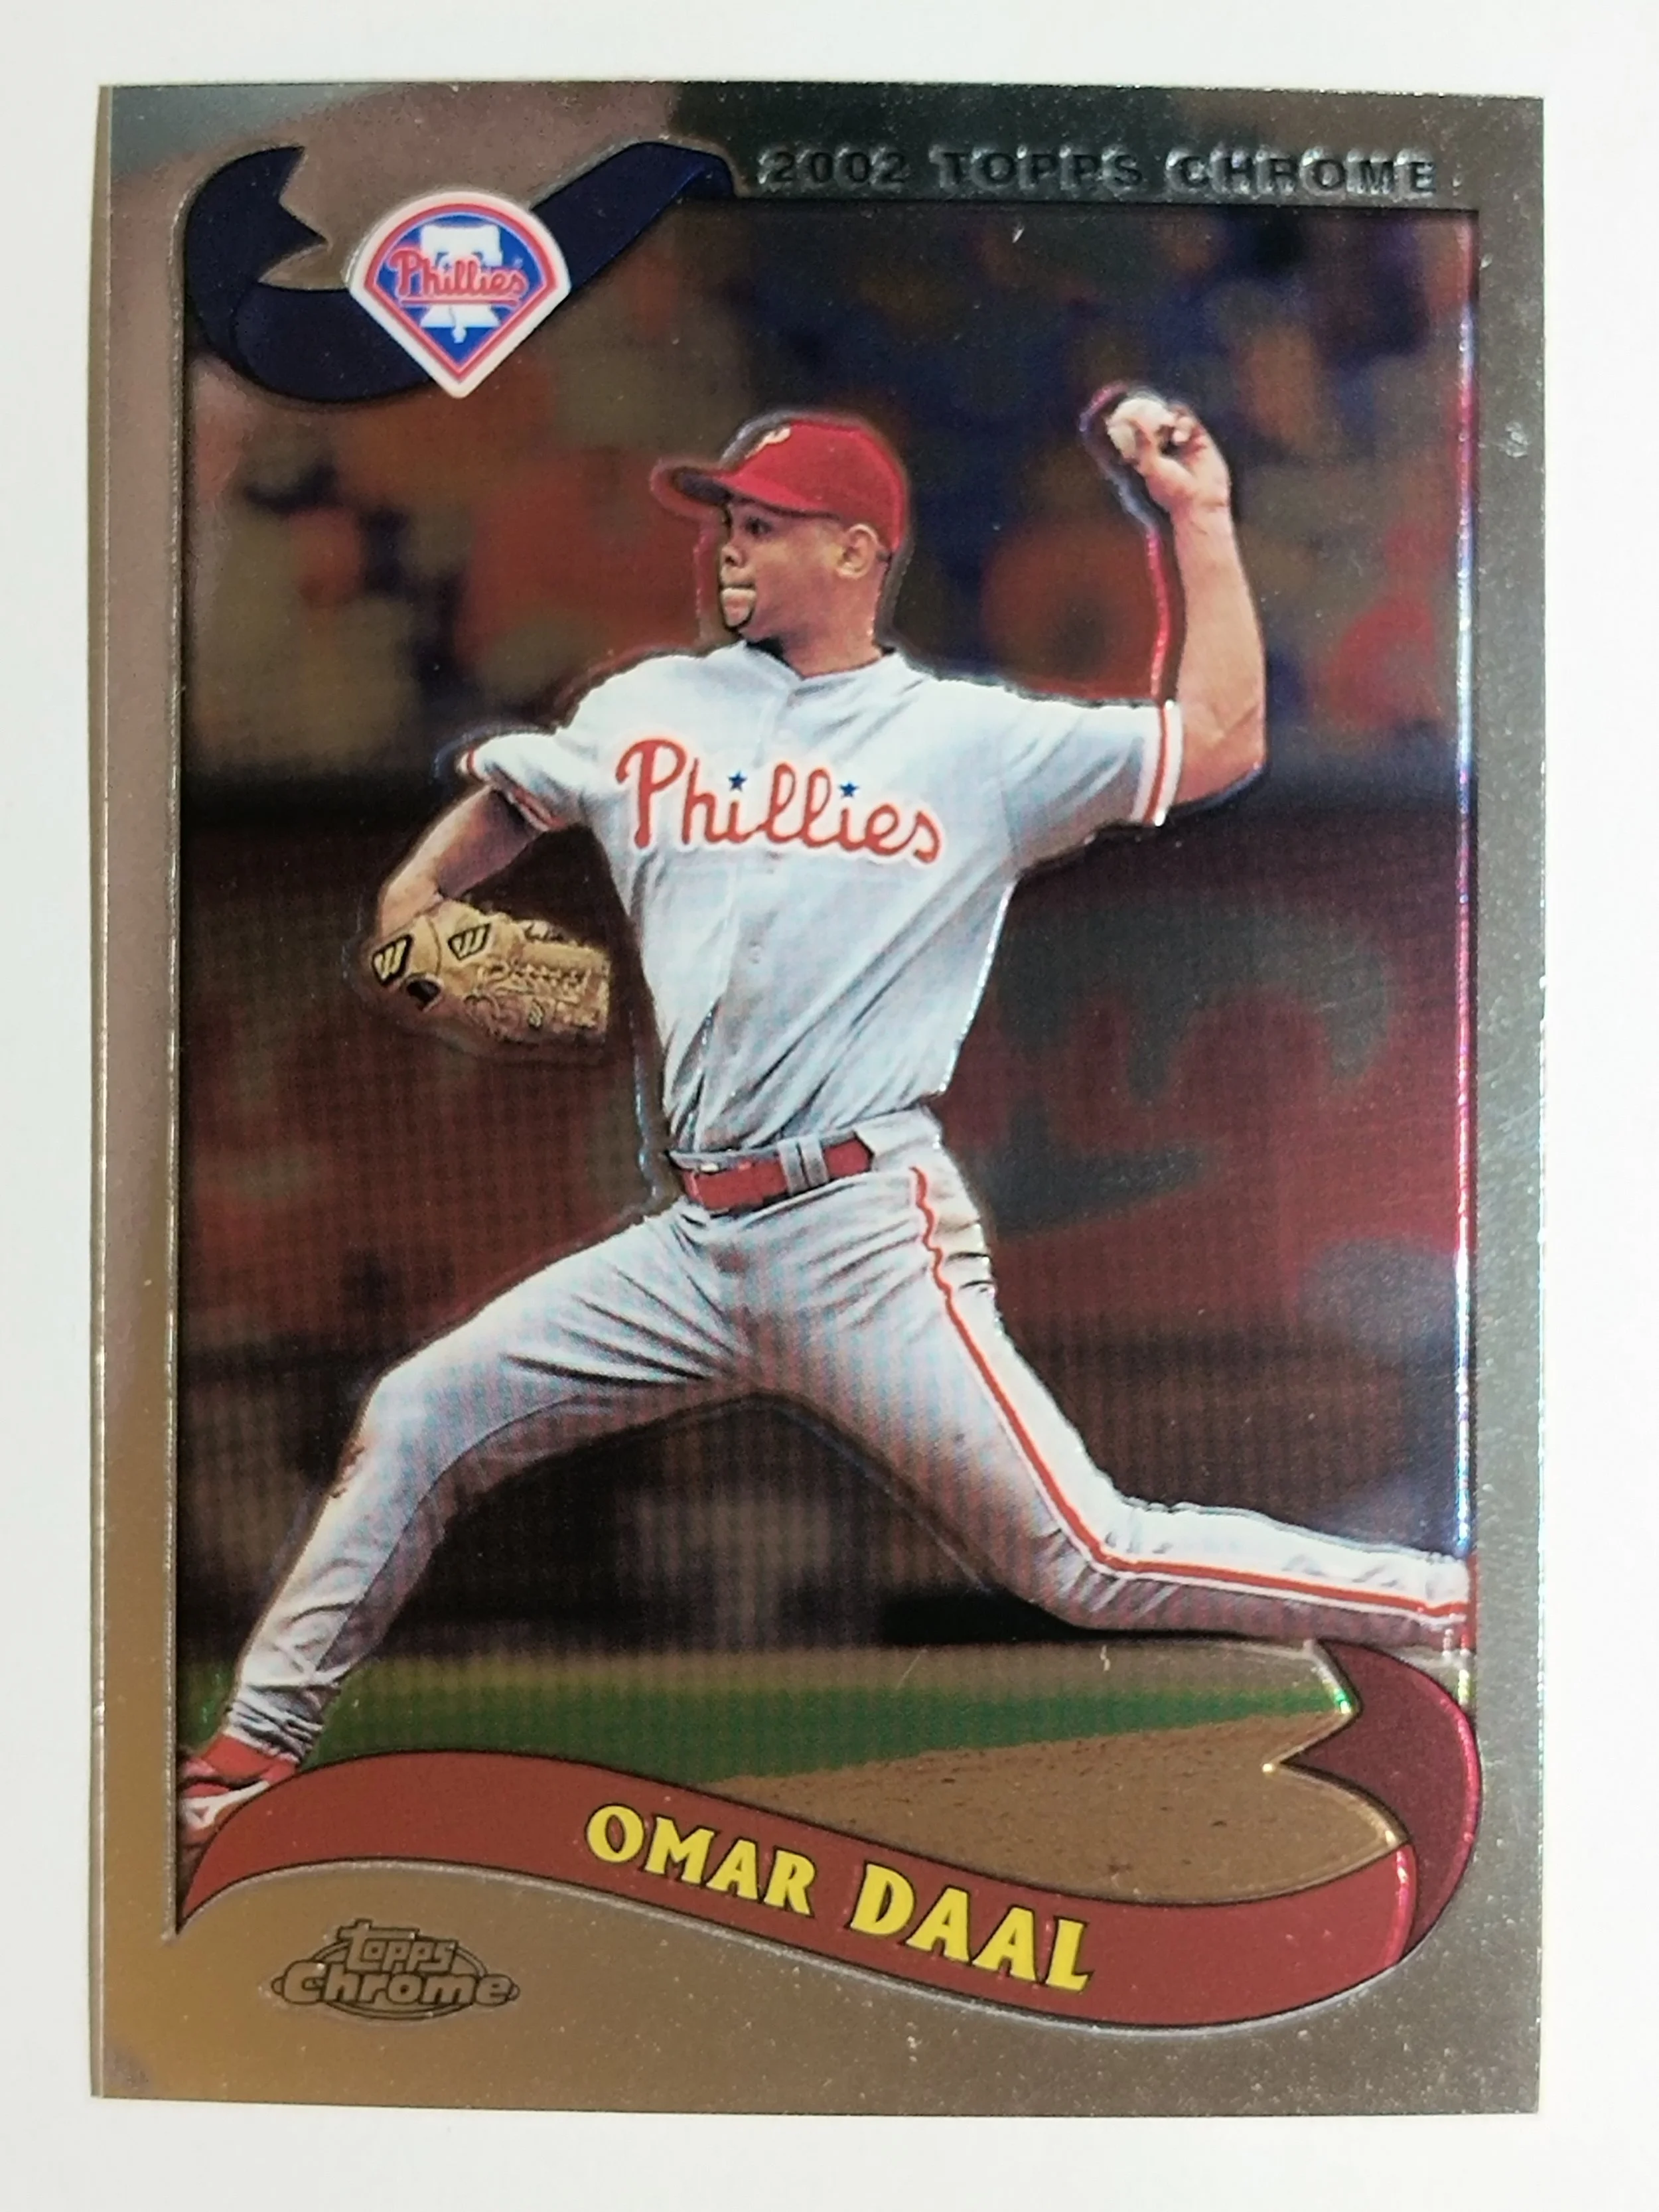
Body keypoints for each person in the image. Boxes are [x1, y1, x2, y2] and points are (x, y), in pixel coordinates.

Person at [180, 401, 1469, 1880]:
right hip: (689, 1246)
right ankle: (246, 1758)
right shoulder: (648, 706)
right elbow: (517, 791)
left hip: (860, 1235)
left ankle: (1453, 1602)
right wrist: (419, 904)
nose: (728, 549)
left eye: (764, 524)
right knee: (419, 1412)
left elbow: (1221, 740)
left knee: (1085, 1559)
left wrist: (1199, 519)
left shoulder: (970, 744)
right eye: (725, 521)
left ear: (856, 552)